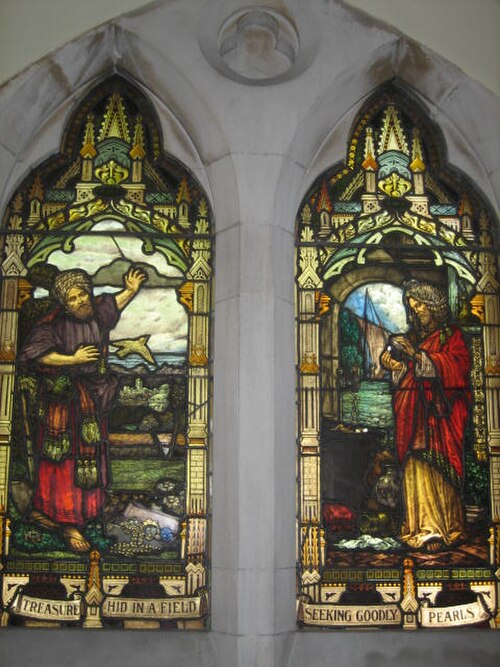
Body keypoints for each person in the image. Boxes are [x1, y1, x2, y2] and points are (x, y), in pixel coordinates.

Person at [18, 266, 146, 553]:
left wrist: (131, 290)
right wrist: (71, 359)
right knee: (63, 463)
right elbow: (34, 356)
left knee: (92, 457)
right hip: (62, 404)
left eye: (83, 294)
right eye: (73, 298)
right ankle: (66, 520)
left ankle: (90, 512)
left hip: (91, 399)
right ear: (64, 303)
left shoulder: (97, 315)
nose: (81, 301)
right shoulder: (52, 326)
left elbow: (115, 303)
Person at [381, 279, 471, 553]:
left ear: (434, 306)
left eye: (419, 304)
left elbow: (457, 368)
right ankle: (420, 528)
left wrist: (417, 356)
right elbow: (408, 377)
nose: (415, 310)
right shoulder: (415, 339)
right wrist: (395, 367)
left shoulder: (451, 336)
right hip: (413, 418)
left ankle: (444, 529)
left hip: (440, 421)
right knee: (415, 469)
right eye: (412, 305)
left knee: (438, 472)